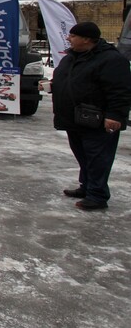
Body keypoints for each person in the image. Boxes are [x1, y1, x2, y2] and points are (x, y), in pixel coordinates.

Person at [51, 21, 131, 211]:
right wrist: (53, 85)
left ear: (86, 39)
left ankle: (97, 195)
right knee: (83, 155)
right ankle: (86, 187)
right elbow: (70, 80)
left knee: (98, 158)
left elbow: (120, 91)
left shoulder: (111, 60)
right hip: (74, 117)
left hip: (98, 119)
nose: (68, 38)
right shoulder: (72, 57)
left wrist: (115, 115)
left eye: (73, 36)